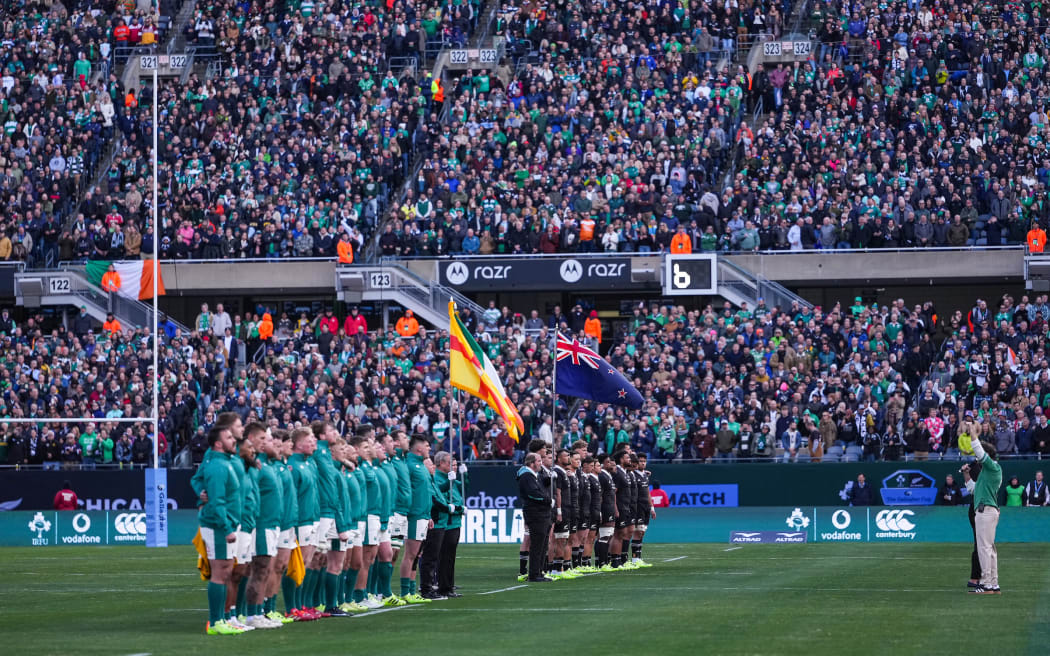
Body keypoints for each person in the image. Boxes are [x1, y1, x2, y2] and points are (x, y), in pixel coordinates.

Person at [198, 425, 245, 635]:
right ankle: (216, 621)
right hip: (219, 526)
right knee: (220, 572)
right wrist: (227, 528)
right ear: (218, 443)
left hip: (226, 523)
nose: (233, 439)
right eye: (228, 437)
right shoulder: (218, 467)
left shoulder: (225, 463)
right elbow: (217, 503)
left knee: (226, 572)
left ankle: (222, 619)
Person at [400, 434, 433, 603]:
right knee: (410, 554)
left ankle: (412, 591)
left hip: (423, 515)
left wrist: (428, 516)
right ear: (419, 448)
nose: (430, 449)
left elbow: (425, 493)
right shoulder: (410, 466)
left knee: (417, 554)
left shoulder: (420, 466)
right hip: (414, 515)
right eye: (427, 446)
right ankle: (406, 591)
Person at [970, 439, 1003, 594]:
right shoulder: (987, 472)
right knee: (990, 549)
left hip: (986, 512)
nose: (977, 459)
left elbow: (978, 450)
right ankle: (993, 583)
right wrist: (965, 473)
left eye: (980, 456)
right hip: (988, 511)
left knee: (984, 548)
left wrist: (973, 434)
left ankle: (986, 584)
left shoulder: (993, 467)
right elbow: (973, 490)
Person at [517, 452, 553, 582]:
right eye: (538, 461)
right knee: (538, 544)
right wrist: (547, 500)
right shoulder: (526, 476)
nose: (541, 463)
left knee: (542, 544)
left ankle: (538, 571)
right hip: (536, 513)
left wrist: (549, 478)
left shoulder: (533, 475)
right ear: (531, 463)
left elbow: (539, 488)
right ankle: (534, 574)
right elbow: (533, 493)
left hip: (541, 513)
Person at [961, 461, 983, 589]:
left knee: (982, 544)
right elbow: (974, 489)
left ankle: (978, 577)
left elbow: (972, 488)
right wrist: (966, 473)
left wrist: (966, 473)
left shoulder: (986, 468)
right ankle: (977, 578)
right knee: (981, 544)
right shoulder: (982, 469)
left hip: (979, 507)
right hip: (979, 508)